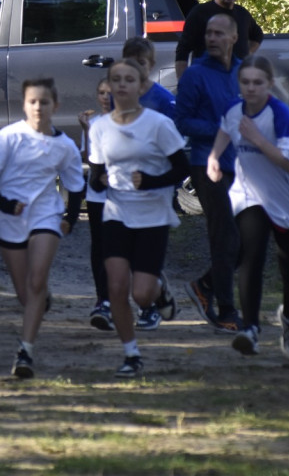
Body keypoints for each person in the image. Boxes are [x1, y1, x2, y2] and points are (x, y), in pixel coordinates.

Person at [0, 78, 85, 378]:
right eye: (33, 102)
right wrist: (7, 204)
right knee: (26, 293)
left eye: (44, 102)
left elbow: (76, 186)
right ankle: (38, 300)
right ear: (24, 105)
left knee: (37, 280)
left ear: (55, 106)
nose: (38, 107)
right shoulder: (7, 138)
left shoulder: (65, 146)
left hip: (46, 216)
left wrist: (70, 218)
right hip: (7, 218)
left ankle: (26, 351)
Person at [88, 59, 190, 378]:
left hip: (152, 215)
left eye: (128, 80)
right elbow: (95, 174)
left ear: (140, 85)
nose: (121, 85)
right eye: (115, 80)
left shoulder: (158, 124)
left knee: (140, 293)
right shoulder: (100, 127)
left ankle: (159, 291)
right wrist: (99, 181)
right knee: (117, 286)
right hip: (116, 213)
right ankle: (131, 353)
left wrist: (149, 181)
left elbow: (182, 168)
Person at [207, 56, 289, 359]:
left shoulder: (278, 114)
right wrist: (215, 156)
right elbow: (225, 130)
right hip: (250, 194)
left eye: (258, 83)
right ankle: (250, 329)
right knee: (251, 256)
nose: (251, 88)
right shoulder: (233, 109)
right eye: (246, 82)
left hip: (288, 200)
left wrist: (257, 139)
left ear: (269, 85)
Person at [174, 13, 243, 333]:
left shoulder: (244, 72)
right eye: (208, 33)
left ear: (233, 37)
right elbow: (183, 121)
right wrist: (221, 128)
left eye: (219, 34)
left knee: (245, 237)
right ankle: (227, 310)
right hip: (205, 164)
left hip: (242, 165)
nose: (212, 38)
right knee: (224, 235)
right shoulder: (195, 75)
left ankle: (204, 285)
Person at [121, 36, 178, 328]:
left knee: (147, 248)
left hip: (155, 186)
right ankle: (159, 290)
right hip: (124, 186)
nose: (136, 69)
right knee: (128, 252)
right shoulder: (119, 96)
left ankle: (149, 307)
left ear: (151, 65)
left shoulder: (164, 101)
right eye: (130, 62)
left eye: (141, 63)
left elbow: (176, 144)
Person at [174, 0, 263, 80]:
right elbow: (183, 49)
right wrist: (182, 80)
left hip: (235, 79)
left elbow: (257, 35)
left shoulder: (242, 14)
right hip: (206, 77)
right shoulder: (200, 12)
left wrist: (246, 54)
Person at [79, 78, 113, 330]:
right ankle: (103, 298)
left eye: (109, 93)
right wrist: (85, 130)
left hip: (122, 194)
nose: (104, 97)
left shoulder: (129, 120)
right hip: (97, 194)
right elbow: (89, 158)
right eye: (100, 92)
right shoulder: (94, 122)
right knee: (99, 246)